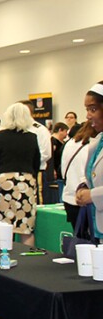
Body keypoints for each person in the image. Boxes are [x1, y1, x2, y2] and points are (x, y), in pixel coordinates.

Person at [0, 103, 41, 246]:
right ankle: (27, 261)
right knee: (26, 228)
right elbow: (36, 163)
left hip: (4, 181)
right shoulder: (32, 137)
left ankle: (3, 258)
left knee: (2, 226)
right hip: (26, 181)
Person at [75, 82, 103, 238]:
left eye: (93, 109)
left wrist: (93, 195)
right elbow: (93, 174)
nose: (88, 116)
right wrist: (83, 187)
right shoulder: (97, 142)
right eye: (87, 110)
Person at [61, 121, 97, 229]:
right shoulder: (94, 146)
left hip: (69, 197)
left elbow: (63, 170)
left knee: (79, 239)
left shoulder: (70, 143)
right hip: (87, 199)